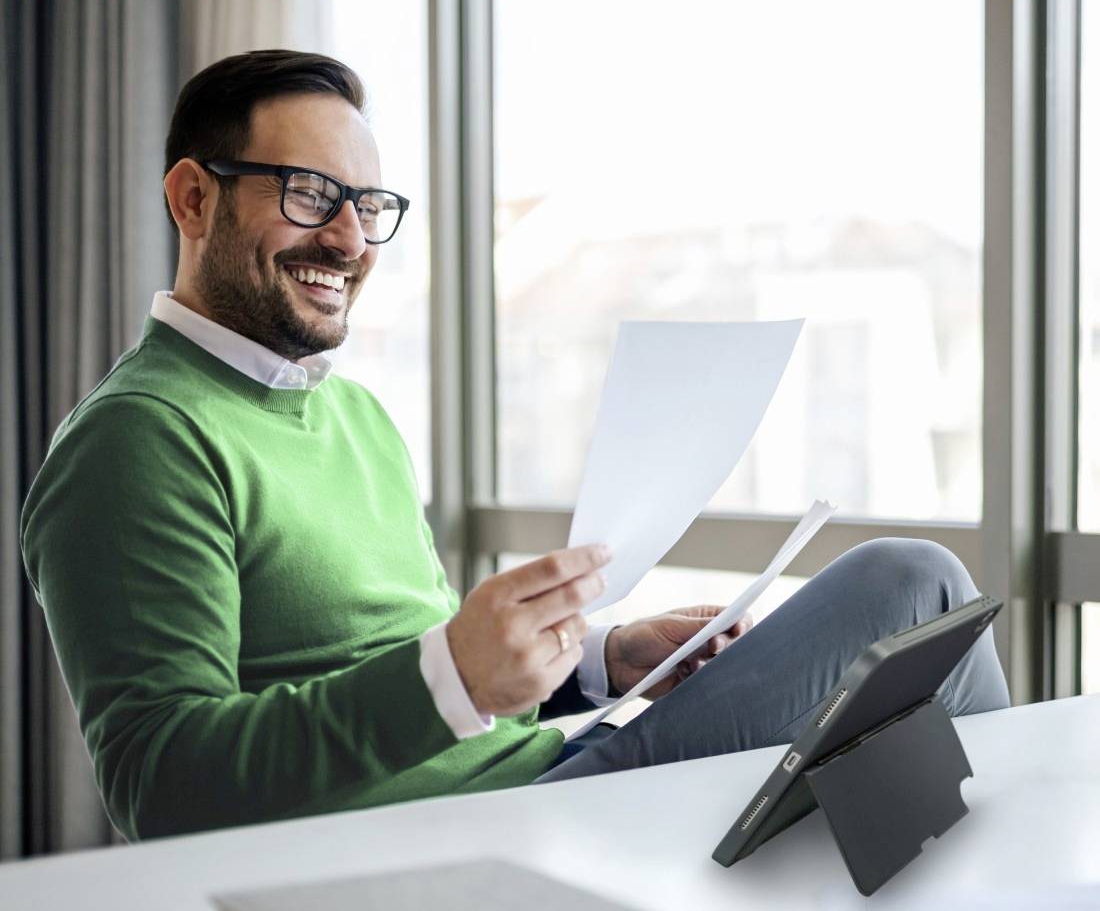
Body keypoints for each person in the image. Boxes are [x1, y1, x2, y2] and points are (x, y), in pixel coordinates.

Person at [20, 50, 1009, 842]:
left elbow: (422, 678)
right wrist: (450, 675)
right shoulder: (135, 440)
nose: (351, 241)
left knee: (893, 730)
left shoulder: (353, 416)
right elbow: (161, 784)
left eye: (368, 206)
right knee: (911, 584)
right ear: (193, 199)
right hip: (464, 839)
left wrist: (601, 661)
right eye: (310, 193)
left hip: (545, 776)